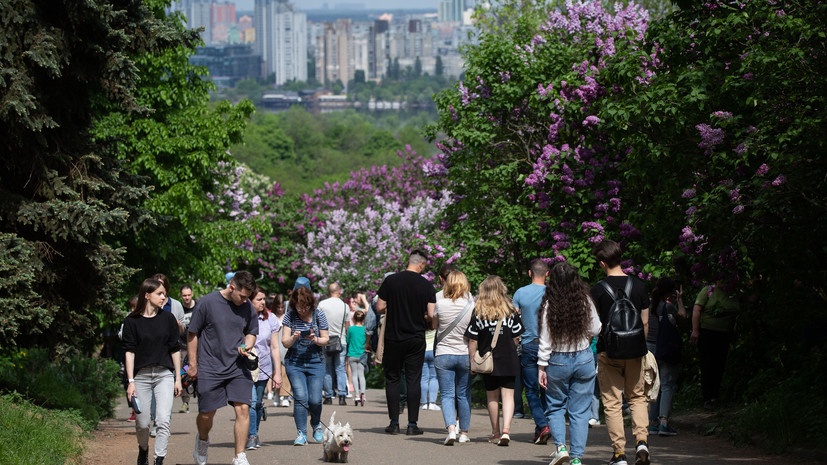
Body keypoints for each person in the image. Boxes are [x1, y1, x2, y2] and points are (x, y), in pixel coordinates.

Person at [187, 270, 259, 465]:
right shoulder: (207, 303)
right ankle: (202, 440)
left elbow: (252, 331)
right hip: (210, 367)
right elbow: (192, 333)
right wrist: (193, 364)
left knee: (243, 408)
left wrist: (248, 344)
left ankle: (240, 455)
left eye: (248, 297)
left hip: (237, 366)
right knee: (206, 414)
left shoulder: (247, 307)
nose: (245, 301)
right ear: (232, 287)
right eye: (242, 296)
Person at [590, 240, 651, 465]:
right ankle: (642, 441)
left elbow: (595, 325)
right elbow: (645, 323)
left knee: (613, 403)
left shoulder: (597, 290)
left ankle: (619, 454)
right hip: (636, 351)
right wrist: (640, 347)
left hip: (608, 352)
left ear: (603, 263)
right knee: (637, 397)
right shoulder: (640, 286)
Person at [538, 262, 602, 465]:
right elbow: (597, 328)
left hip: (558, 360)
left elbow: (545, 340)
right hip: (583, 358)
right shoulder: (585, 301)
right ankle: (576, 458)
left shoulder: (549, 305)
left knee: (555, 407)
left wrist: (541, 366)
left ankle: (561, 448)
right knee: (580, 411)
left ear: (552, 281)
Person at [122, 278, 183, 465]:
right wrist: (130, 381)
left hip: (164, 374)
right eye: (160, 294)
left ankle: (159, 460)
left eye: (164, 294)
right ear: (147, 295)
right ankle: (143, 449)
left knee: (163, 420)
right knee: (142, 423)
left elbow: (175, 348)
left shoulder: (168, 319)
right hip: (141, 377)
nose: (164, 297)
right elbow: (129, 352)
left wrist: (178, 379)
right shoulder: (131, 322)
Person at [376, 250, 436, 435]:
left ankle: (394, 423)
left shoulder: (391, 281)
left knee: (392, 378)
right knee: (413, 379)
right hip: (416, 338)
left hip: (393, 337)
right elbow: (431, 315)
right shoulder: (426, 285)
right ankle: (412, 425)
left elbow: (379, 307)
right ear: (421, 265)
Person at [464, 275, 524, 446]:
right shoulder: (510, 310)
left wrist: (472, 361)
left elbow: (473, 339)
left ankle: (495, 432)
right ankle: (506, 430)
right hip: (508, 358)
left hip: (487, 359)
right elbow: (516, 336)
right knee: (508, 395)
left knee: (492, 395)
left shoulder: (479, 311)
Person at [281, 286, 330, 445]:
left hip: (316, 362)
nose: (302, 310)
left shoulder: (319, 314)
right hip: (295, 362)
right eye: (299, 306)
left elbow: (326, 339)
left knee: (315, 400)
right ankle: (301, 433)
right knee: (300, 397)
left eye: (306, 307)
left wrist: (314, 339)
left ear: (311, 304)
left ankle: (316, 424)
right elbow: (285, 342)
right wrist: (294, 337)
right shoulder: (290, 316)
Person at [512, 259, 551, 444]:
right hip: (549, 346)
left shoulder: (520, 292)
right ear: (547, 274)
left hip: (528, 345)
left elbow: (513, 320)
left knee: (530, 389)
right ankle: (541, 428)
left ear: (529, 273)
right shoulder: (552, 293)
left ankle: (542, 426)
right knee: (546, 389)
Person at [433, 269, 474, 445]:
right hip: (464, 353)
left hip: (443, 353)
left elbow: (435, 326)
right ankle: (464, 432)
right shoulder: (471, 305)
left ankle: (451, 430)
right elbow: (473, 333)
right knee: (463, 394)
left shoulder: (440, 304)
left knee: (447, 395)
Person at [691, 279, 739, 411]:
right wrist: (695, 331)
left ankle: (715, 397)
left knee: (719, 365)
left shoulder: (733, 292)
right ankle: (707, 398)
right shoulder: (708, 291)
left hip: (725, 334)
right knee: (708, 365)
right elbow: (696, 310)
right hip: (708, 333)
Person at [646, 277, 686, 436]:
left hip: (649, 348)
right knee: (667, 385)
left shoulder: (647, 305)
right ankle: (663, 422)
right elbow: (682, 318)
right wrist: (680, 300)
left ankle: (652, 422)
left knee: (654, 386)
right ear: (670, 292)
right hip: (666, 349)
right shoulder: (668, 307)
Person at [246, 286, 282, 450]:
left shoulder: (271, 318)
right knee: (251, 402)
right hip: (244, 367)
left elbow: (275, 347)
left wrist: (277, 373)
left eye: (263, 299)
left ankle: (255, 432)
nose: (263, 302)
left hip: (264, 368)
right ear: (249, 300)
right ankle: (251, 436)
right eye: (258, 299)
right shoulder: (241, 317)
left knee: (258, 403)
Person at [319, 282, 350, 406]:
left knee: (327, 369)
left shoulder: (322, 305)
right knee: (340, 368)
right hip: (340, 341)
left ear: (329, 291)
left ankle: (328, 396)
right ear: (339, 291)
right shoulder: (344, 306)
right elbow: (347, 326)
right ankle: (342, 395)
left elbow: (318, 322)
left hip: (325, 340)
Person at [267, 293, 292, 408]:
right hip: (273, 347)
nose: (281, 309)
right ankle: (276, 394)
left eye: (282, 307)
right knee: (275, 372)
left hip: (285, 347)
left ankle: (285, 396)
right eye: (278, 307)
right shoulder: (270, 317)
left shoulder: (287, 317)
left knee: (285, 372)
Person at [178, 285, 197, 413]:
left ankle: (202, 397)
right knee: (183, 371)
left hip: (198, 345)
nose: (187, 298)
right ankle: (185, 401)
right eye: (184, 295)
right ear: (181, 296)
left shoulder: (198, 307)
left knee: (200, 370)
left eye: (189, 295)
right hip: (183, 345)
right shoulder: (179, 309)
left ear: (192, 294)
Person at [346, 309, 368, 406]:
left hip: (352, 354)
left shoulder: (351, 329)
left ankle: (357, 395)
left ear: (354, 319)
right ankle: (363, 393)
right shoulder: (365, 329)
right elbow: (368, 342)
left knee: (354, 375)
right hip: (362, 354)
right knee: (361, 375)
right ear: (363, 319)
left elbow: (347, 340)